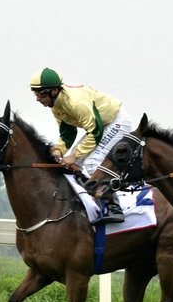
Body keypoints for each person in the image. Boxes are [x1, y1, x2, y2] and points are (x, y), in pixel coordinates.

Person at [29, 67, 133, 224]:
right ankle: (90, 197)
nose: (38, 98)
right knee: (73, 165)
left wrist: (74, 155)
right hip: (100, 124)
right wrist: (59, 151)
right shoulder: (56, 105)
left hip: (115, 122)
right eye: (35, 93)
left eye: (41, 93)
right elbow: (67, 133)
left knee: (92, 163)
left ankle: (114, 208)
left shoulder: (75, 103)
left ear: (55, 91)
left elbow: (96, 131)